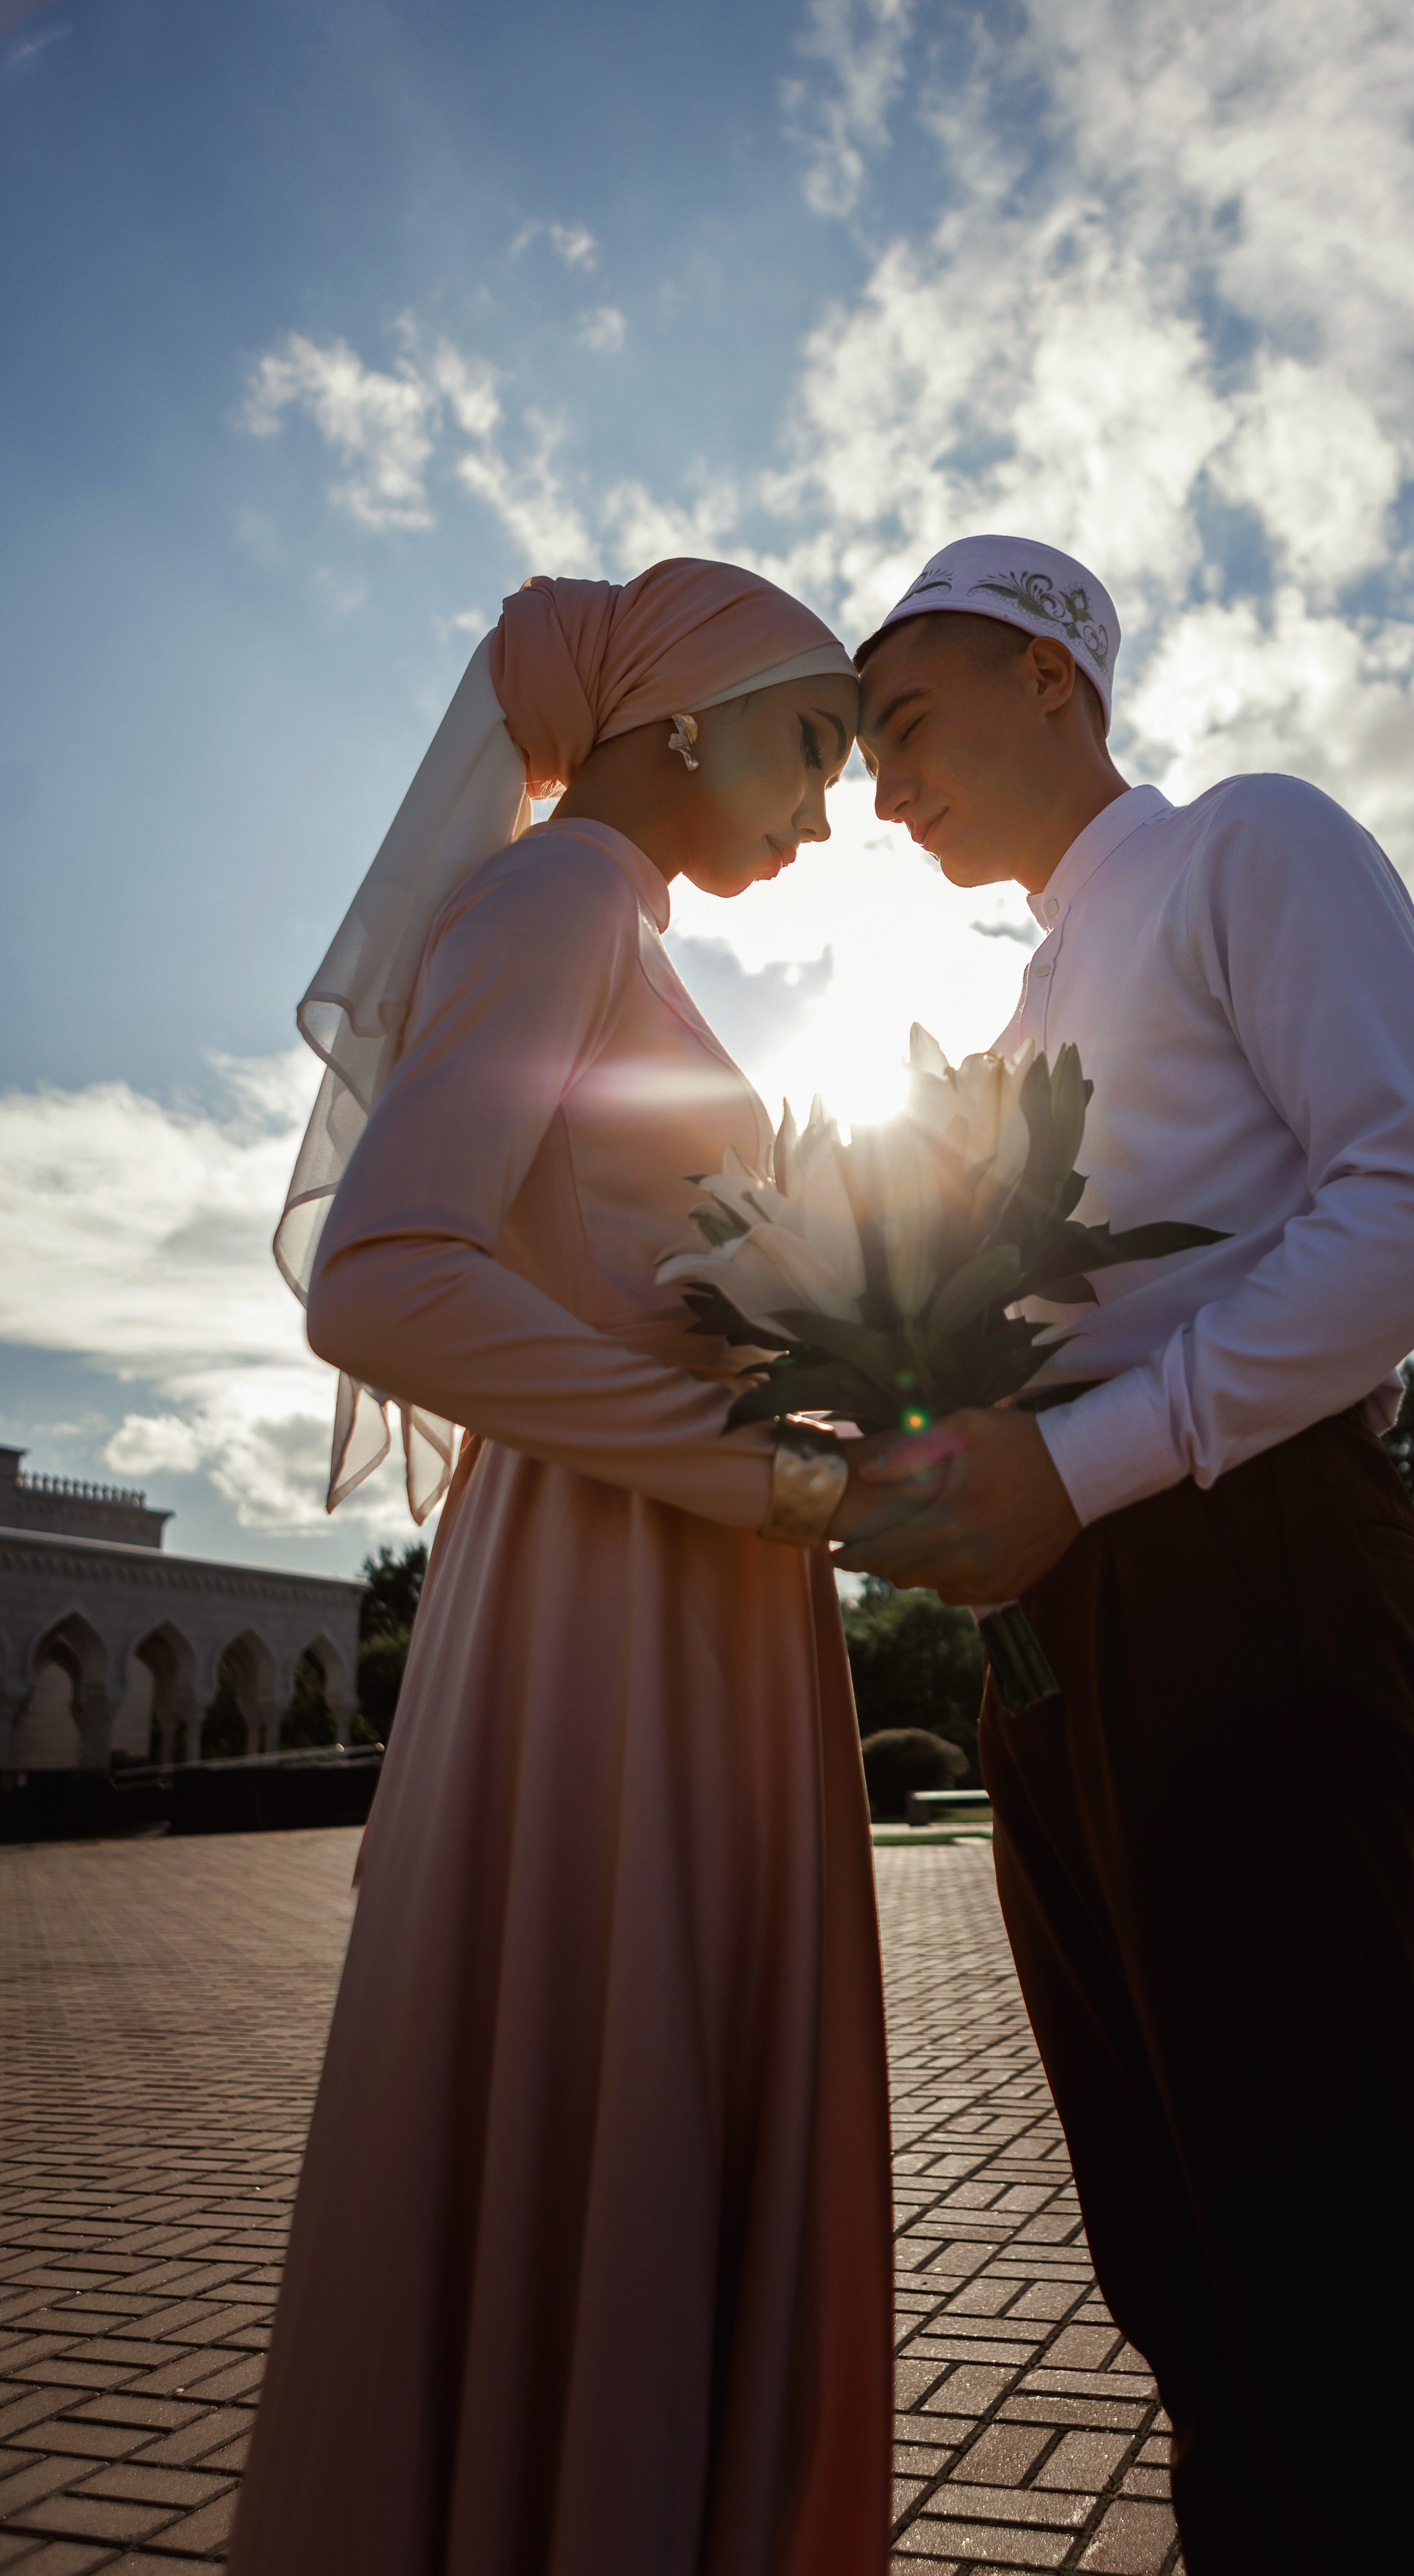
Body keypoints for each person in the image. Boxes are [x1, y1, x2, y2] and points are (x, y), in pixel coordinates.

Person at [845, 536, 1414, 2575]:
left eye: (906, 722)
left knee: (1303, 2225)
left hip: (1248, 1569)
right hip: (1056, 1632)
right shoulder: (1013, 1005)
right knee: (1164, 2242)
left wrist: (1085, 1462)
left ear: (1055, 676)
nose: (885, 792)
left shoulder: (1249, 844)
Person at [230, 561, 894, 2576]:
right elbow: (385, 1275)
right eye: (809, 741)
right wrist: (750, 1469)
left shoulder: (615, 926)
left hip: (694, 1580)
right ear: (679, 714)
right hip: (615, 1594)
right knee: (625, 2099)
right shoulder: (556, 898)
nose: (825, 808)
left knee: (671, 2117)